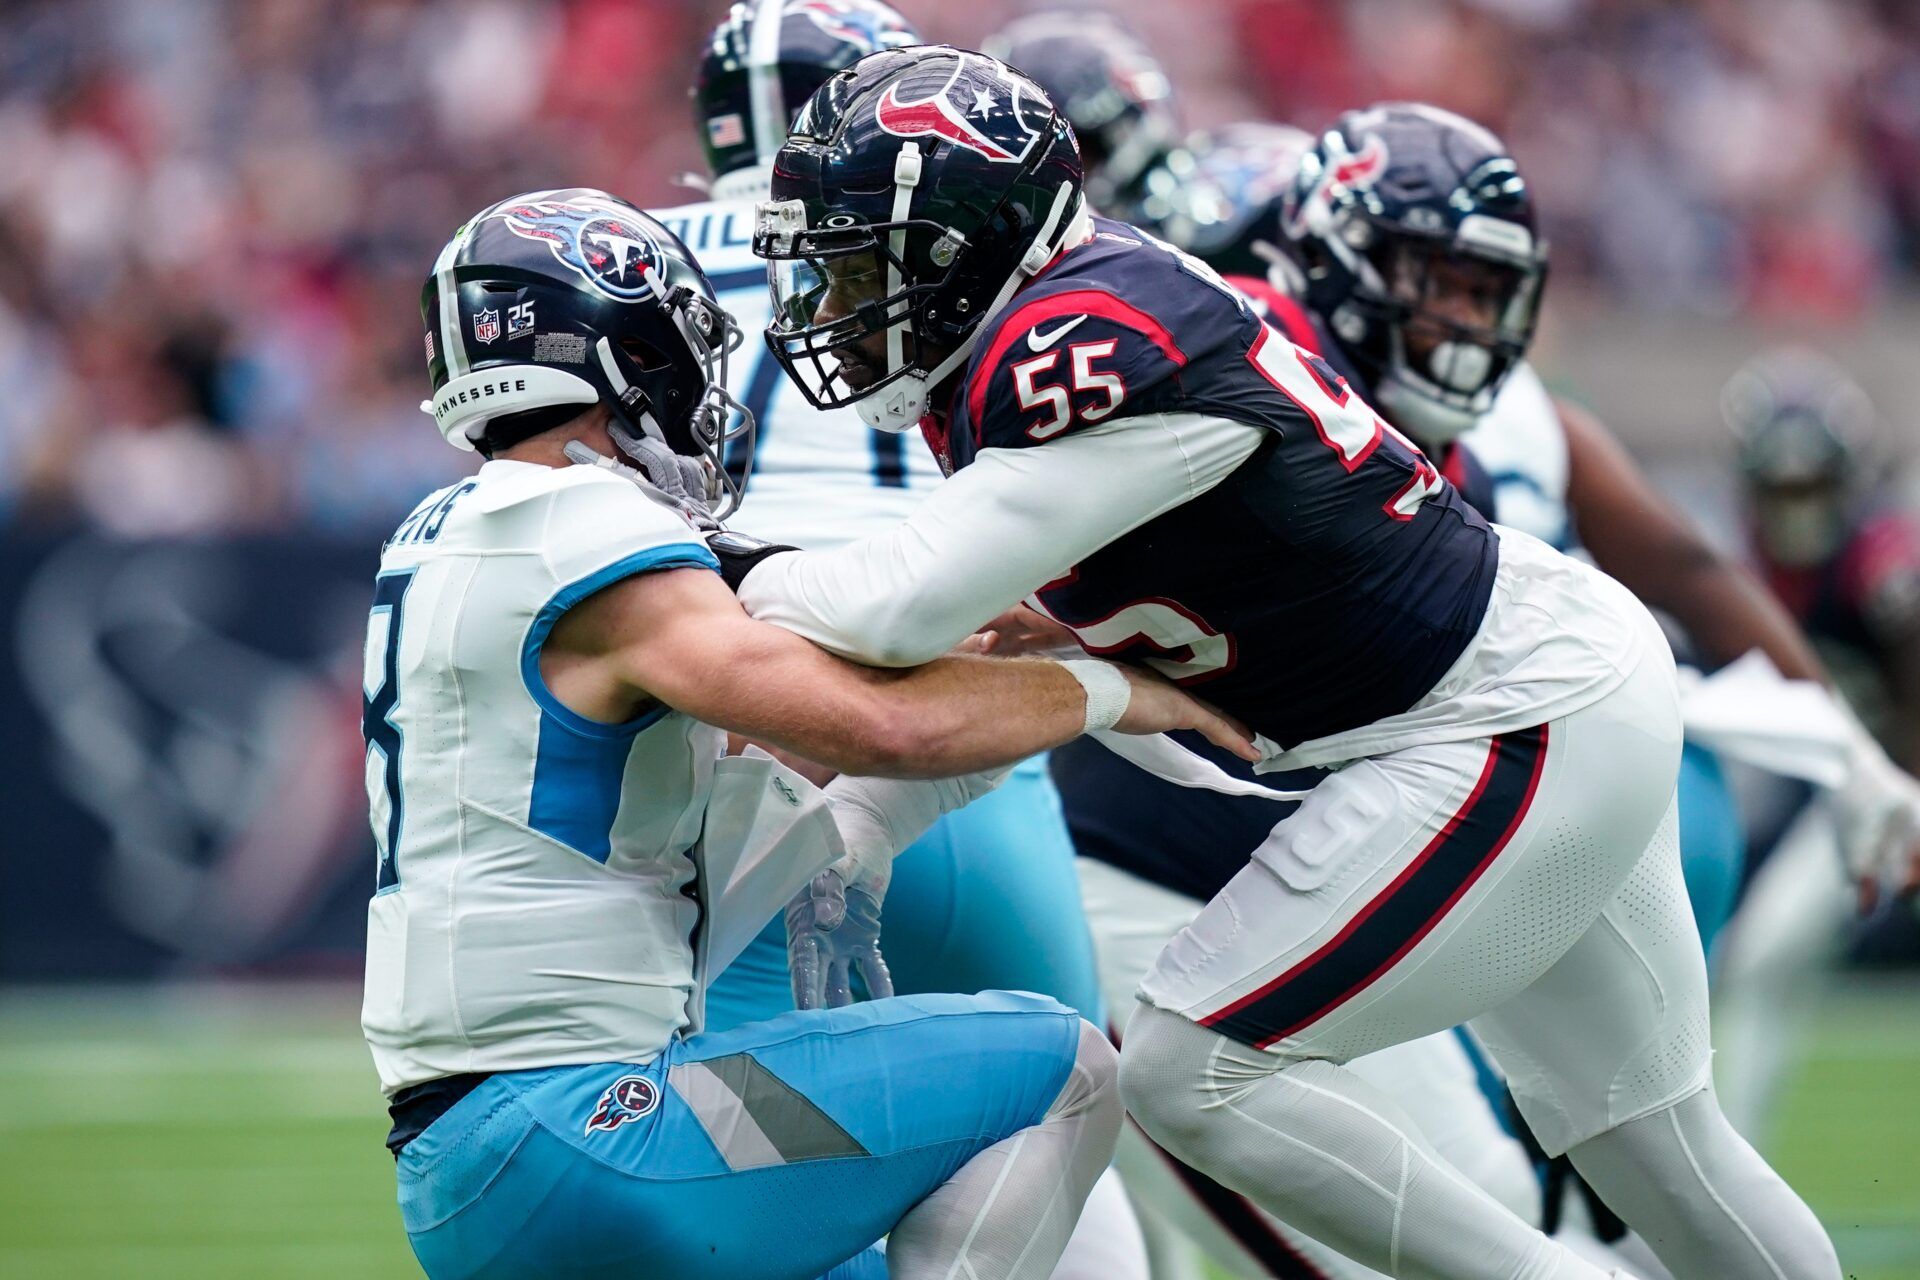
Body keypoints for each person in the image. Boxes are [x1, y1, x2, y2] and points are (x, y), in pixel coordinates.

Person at [740, 45, 1860, 1280]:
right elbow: (996, 659)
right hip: (1544, 690)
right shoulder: (1053, 346)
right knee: (1661, 1148)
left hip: (1506, 716)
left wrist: (697, 569)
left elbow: (889, 609)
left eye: (854, 264)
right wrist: (862, 833)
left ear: (965, 244)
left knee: (1190, 1060)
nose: (829, 300)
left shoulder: (1089, 349)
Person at [364, 186, 1252, 1280]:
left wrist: (1019, 650)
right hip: (591, 1130)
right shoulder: (584, 526)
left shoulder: (445, 535)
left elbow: (809, 723)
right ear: (623, 354)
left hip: (474, 1160)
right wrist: (1129, 692)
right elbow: (880, 722)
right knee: (1063, 1063)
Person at [668, 6, 1147, 1273]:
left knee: (775, 1159)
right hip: (982, 734)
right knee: (1067, 1107)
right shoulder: (1001, 256)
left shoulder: (640, 258)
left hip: (767, 738)